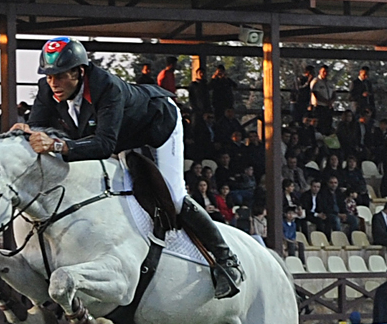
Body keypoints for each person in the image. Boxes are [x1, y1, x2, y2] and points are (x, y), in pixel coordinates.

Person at [16, 36, 242, 299]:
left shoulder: (106, 87)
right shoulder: (47, 89)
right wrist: (25, 133)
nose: (53, 82)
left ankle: (227, 262)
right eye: (49, 75)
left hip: (159, 126)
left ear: (78, 72)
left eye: (59, 75)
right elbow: (40, 127)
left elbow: (102, 144)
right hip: (124, 135)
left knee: (175, 198)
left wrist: (55, 146)